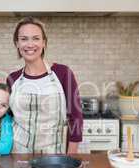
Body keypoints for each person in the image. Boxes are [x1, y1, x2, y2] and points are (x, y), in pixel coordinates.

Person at [7, 17, 83, 154]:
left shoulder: (63, 73)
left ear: (44, 43)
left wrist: (70, 157)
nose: (30, 44)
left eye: (36, 38)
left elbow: (76, 118)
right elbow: (6, 117)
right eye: (24, 39)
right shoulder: (13, 79)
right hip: (18, 156)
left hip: (54, 158)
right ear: (17, 44)